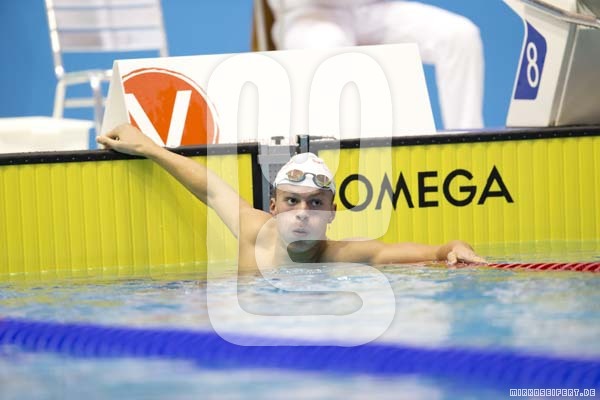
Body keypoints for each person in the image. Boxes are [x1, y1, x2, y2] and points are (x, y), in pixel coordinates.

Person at [97, 124, 486, 271]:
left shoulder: (344, 256)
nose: (302, 213)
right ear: (273, 207)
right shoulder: (254, 231)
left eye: (315, 203)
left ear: (332, 212)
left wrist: (454, 248)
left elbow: (433, 253)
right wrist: (149, 148)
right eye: (291, 201)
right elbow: (211, 188)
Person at [265, 0, 484, 130]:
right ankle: (340, 163)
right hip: (310, 13)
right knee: (329, 47)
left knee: (459, 35)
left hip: (374, 8)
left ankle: (470, 145)